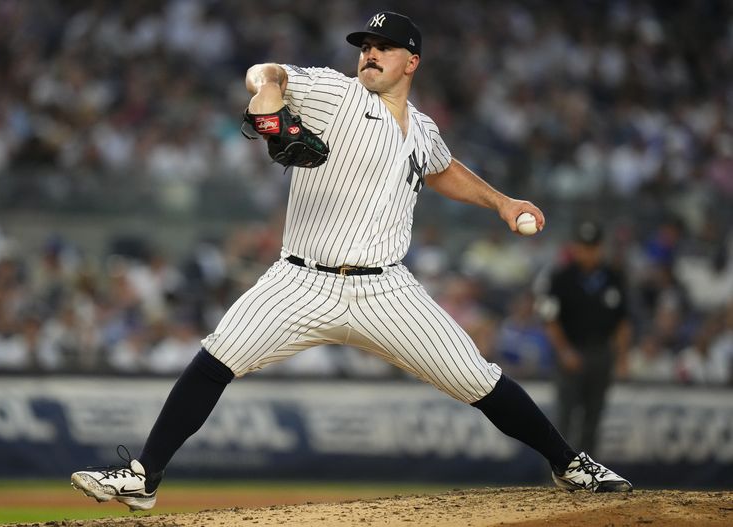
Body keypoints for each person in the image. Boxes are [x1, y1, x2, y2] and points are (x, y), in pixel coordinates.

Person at [71, 12, 632, 512]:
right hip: (300, 281)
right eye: (365, 44)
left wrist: (503, 202)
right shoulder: (338, 94)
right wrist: (267, 98)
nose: (370, 52)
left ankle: (569, 464)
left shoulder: (424, 128)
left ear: (411, 61)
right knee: (216, 358)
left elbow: (440, 169)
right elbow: (267, 72)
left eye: (383, 46)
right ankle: (145, 476)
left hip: (387, 291)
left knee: (478, 380)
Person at [539, 219, 633, 455]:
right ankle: (557, 474)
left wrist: (621, 358)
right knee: (564, 418)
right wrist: (564, 351)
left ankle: (590, 476)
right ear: (575, 247)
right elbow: (550, 320)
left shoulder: (614, 277)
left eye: (592, 247)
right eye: (583, 246)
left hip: (601, 352)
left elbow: (622, 322)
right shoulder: (561, 278)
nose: (588, 252)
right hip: (571, 351)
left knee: (593, 417)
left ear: (600, 248)